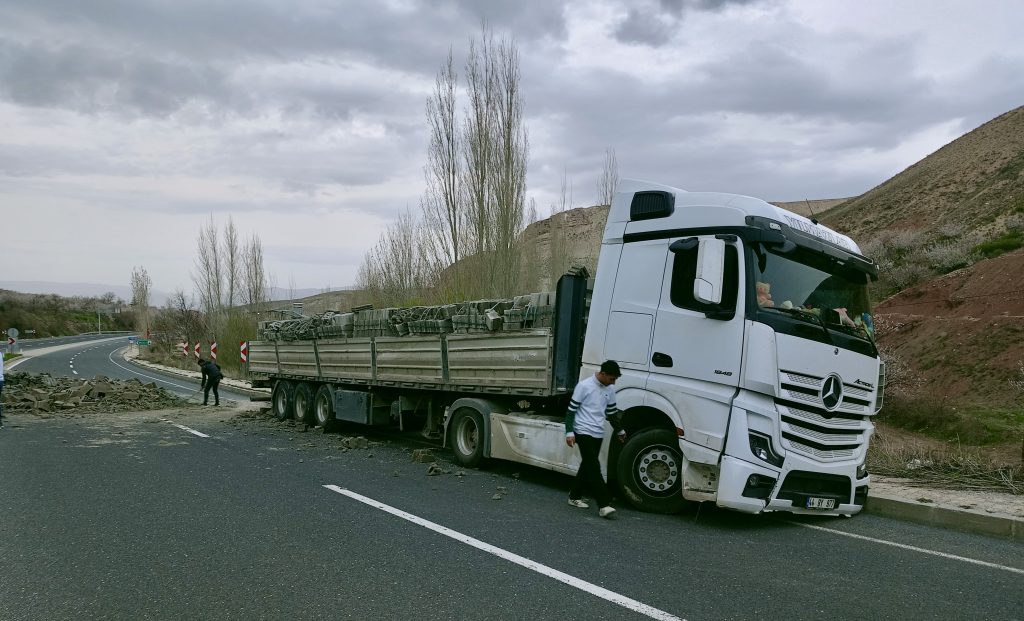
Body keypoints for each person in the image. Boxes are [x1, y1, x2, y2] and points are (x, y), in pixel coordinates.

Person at [565, 360, 627, 519]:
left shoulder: (610, 389)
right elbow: (571, 411)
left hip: (598, 431)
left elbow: (612, 413)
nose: (613, 382)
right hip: (582, 430)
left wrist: (619, 430)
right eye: (612, 378)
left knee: (587, 465)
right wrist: (569, 432)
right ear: (603, 374)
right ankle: (604, 504)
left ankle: (574, 496)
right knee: (594, 466)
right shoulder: (584, 386)